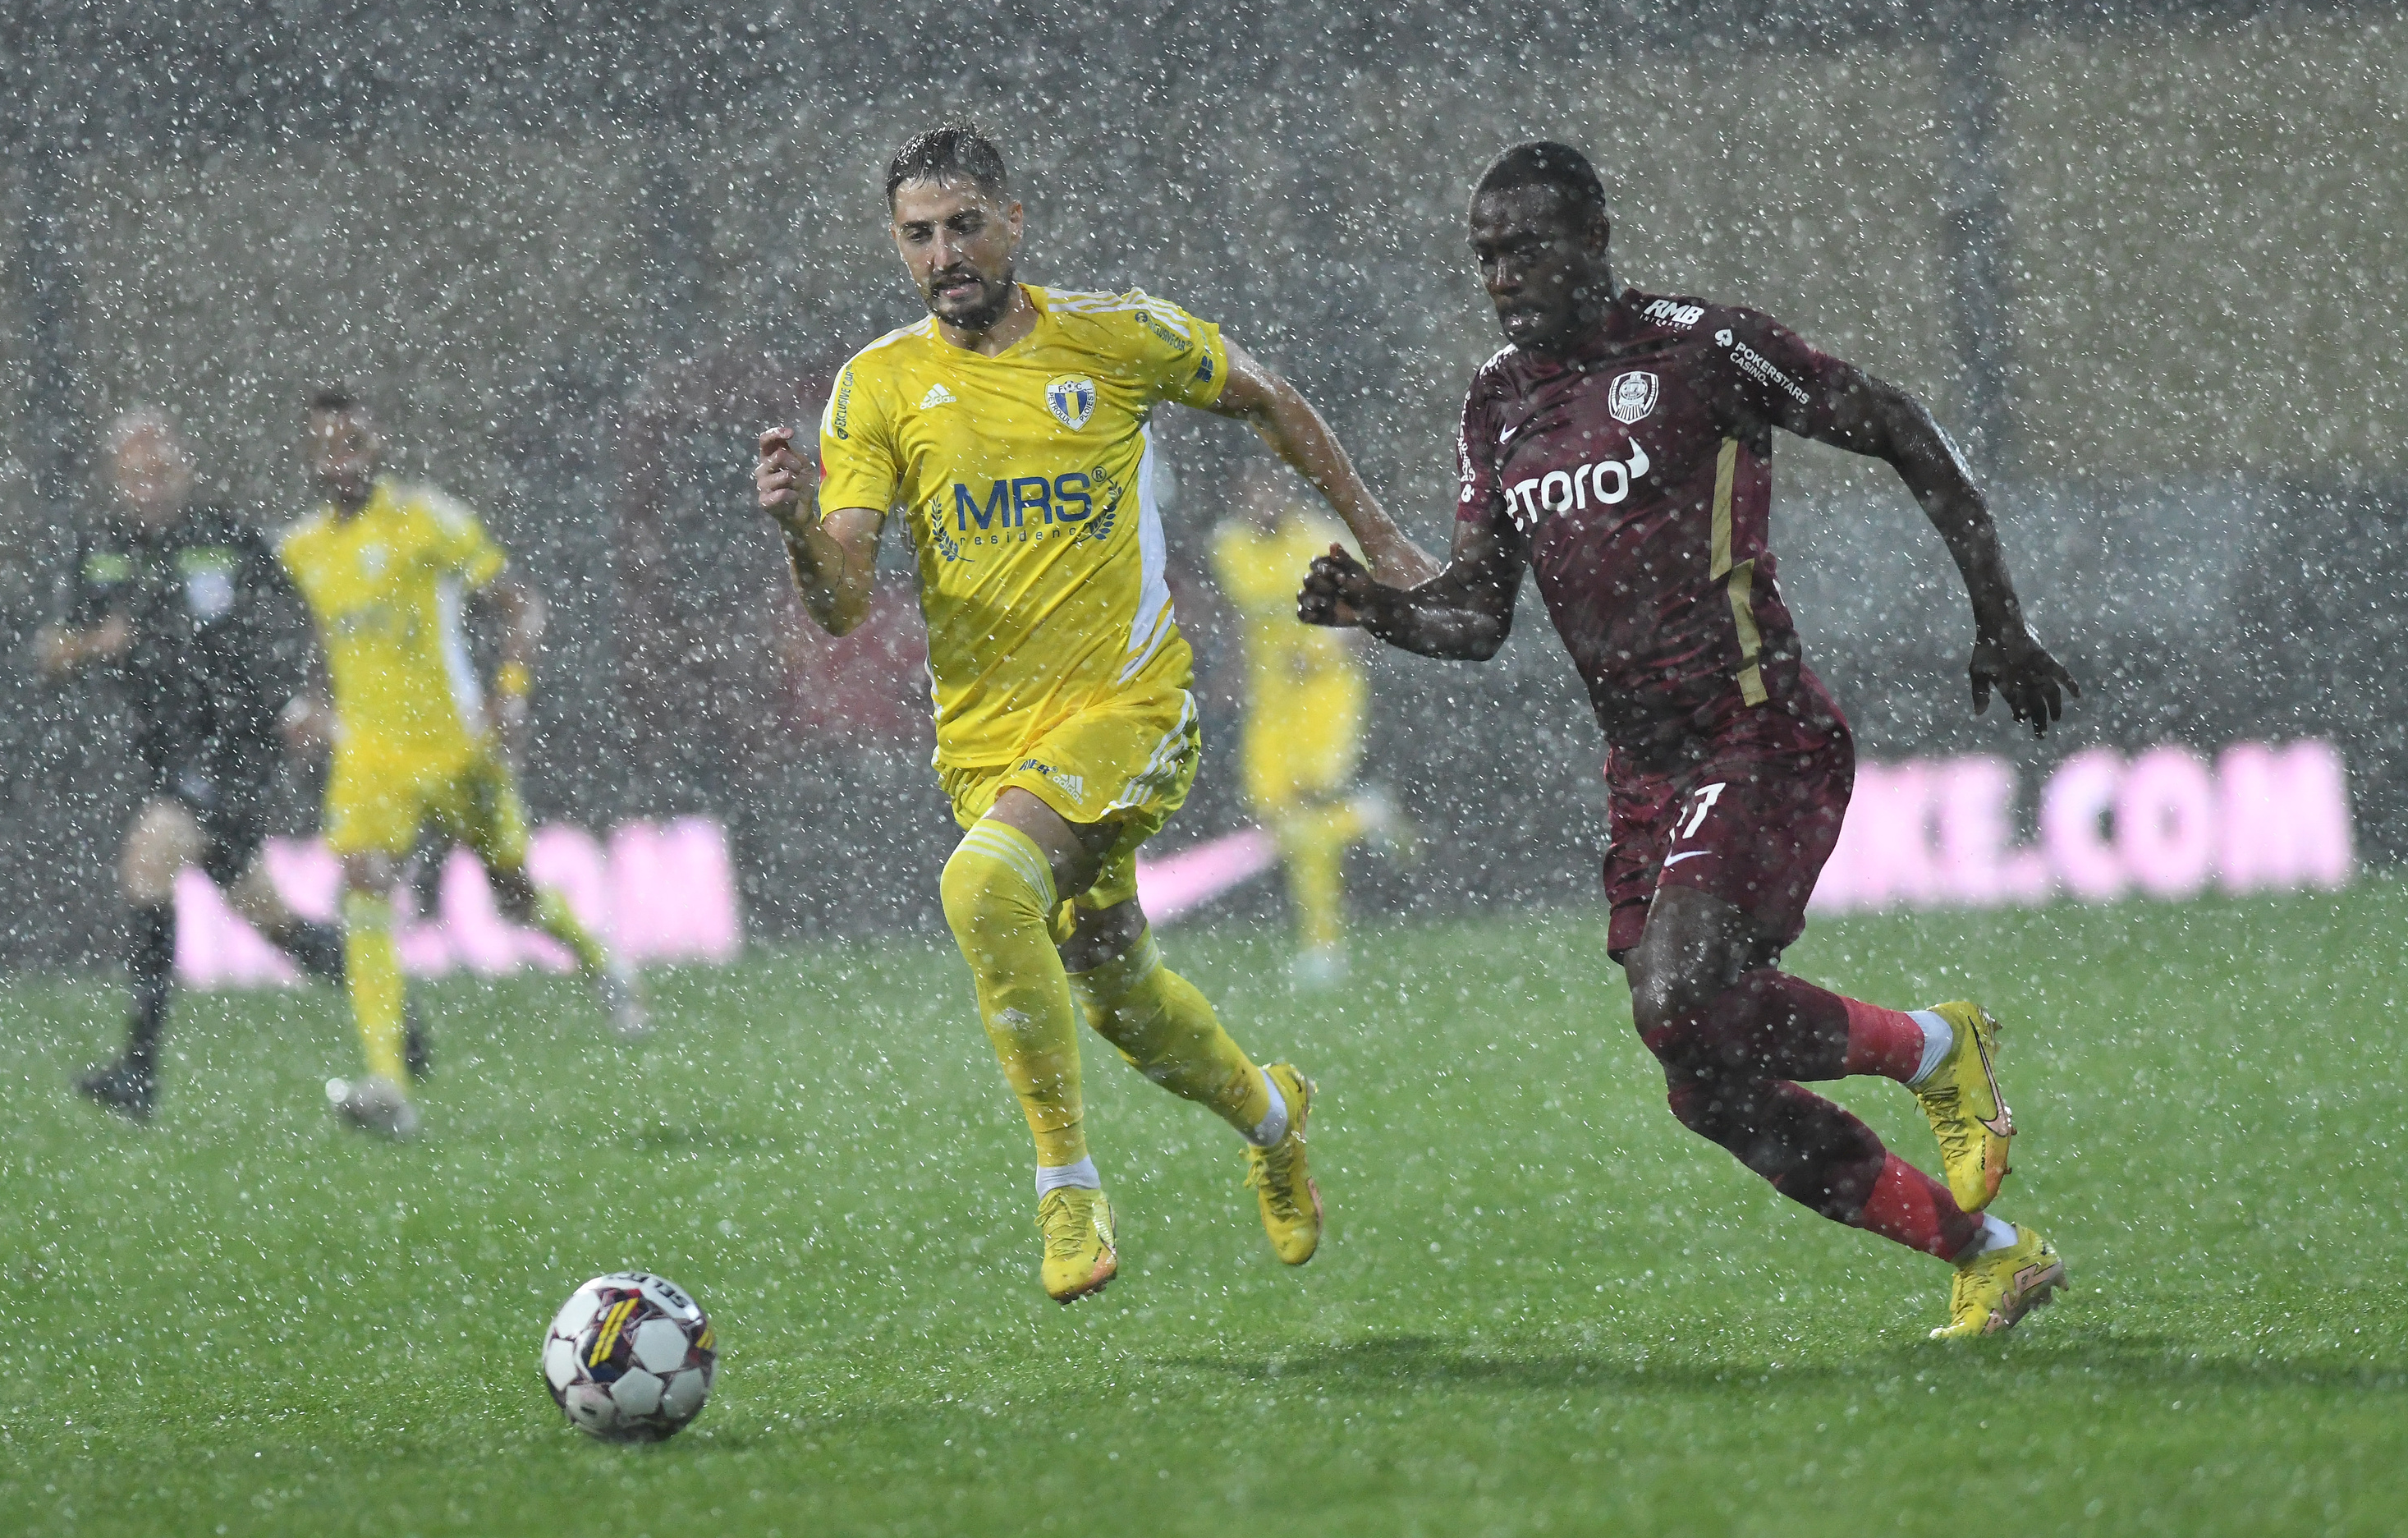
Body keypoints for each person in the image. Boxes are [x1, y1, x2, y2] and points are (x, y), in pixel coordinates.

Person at [1300, 141, 2080, 1338]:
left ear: (1596, 239)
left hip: (1757, 727)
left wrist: (2000, 621)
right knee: (1702, 1079)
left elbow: (1903, 428)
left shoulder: (1700, 348)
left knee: (1678, 996)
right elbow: (1476, 617)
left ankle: (1934, 1049)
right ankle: (1988, 1256)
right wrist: (1377, 610)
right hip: (1645, 771)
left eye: (1528, 248)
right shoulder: (1496, 402)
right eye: (1486, 257)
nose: (1504, 276)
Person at [755, 124, 1434, 1303]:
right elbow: (843, 600)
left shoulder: (1113, 336)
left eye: (965, 225)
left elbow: (1268, 399)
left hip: (1129, 705)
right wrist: (797, 534)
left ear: (1014, 222)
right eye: (918, 235)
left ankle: (1065, 1190)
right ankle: (1275, 1119)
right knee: (1121, 994)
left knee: (981, 888)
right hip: (986, 741)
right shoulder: (877, 386)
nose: (944, 254)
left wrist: (1380, 538)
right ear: (896, 247)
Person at [279, 388, 648, 1140]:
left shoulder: (425, 519)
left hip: (455, 747)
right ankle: (388, 1083)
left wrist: (511, 692)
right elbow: (318, 642)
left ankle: (597, 957)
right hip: (370, 757)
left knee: (512, 894)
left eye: (352, 437)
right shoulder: (301, 550)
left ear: (376, 444)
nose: (340, 452)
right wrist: (307, 704)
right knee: (366, 888)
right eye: (326, 442)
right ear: (310, 458)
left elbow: (521, 605)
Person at [44, 409, 403, 1118]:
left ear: (185, 470)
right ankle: (397, 1019)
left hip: (237, 742)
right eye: (134, 475)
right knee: (269, 918)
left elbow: (317, 613)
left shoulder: (227, 538)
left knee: (148, 860)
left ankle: (139, 1072)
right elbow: (52, 652)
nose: (149, 486)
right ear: (117, 482)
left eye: (160, 471)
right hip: (167, 752)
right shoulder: (102, 552)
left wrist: (309, 698)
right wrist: (92, 645)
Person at [1207, 461, 1411, 987]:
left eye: (1270, 489)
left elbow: (1371, 610)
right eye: (1251, 490)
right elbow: (1237, 618)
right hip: (1270, 702)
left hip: (1325, 691)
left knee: (1309, 809)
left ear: (1285, 494)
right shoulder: (1228, 547)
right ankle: (1367, 816)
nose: (1261, 500)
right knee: (1284, 820)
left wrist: (1326, 649)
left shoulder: (1321, 540)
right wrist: (1231, 675)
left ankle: (1323, 949)